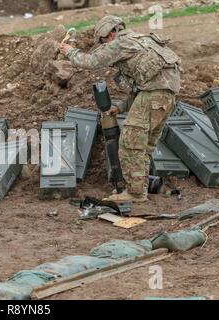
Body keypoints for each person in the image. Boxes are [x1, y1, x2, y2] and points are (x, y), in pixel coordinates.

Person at [60, 15, 181, 203]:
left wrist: (70, 51)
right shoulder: (143, 41)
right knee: (144, 146)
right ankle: (140, 188)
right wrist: (121, 107)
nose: (105, 44)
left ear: (111, 34)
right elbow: (147, 85)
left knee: (129, 143)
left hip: (152, 96)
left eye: (104, 40)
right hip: (167, 99)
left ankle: (135, 193)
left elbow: (91, 61)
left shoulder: (120, 43)